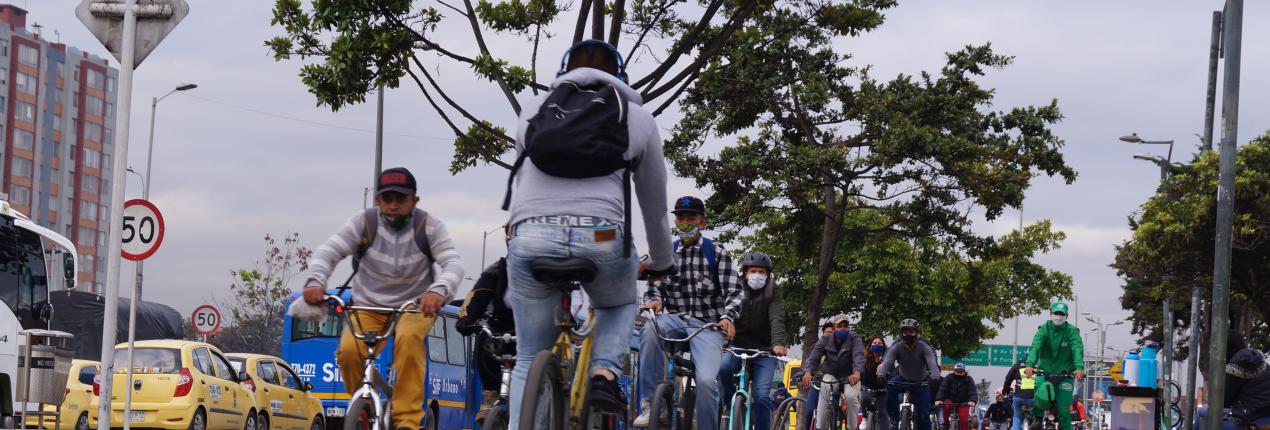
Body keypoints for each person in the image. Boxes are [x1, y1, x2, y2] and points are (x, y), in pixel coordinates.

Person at [502, 39, 675, 425]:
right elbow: (653, 204)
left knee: (529, 356)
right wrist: (662, 260)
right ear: (620, 76)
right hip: (601, 237)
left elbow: (519, 179)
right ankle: (603, 372)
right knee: (618, 303)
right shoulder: (637, 117)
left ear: (564, 72)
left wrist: (519, 236)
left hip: (530, 235)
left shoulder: (534, 110)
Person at [301, 167, 465, 430]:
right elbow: (329, 251)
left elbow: (453, 263)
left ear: (414, 201)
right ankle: (363, 405)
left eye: (401, 200)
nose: (393, 206)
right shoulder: (364, 223)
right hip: (368, 306)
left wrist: (439, 290)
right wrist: (315, 280)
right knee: (347, 351)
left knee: (409, 341)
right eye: (387, 199)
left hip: (413, 306)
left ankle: (406, 421)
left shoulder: (428, 226)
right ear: (377, 199)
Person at [635, 195, 743, 430]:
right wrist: (653, 300)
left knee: (706, 381)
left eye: (691, 218)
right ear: (675, 222)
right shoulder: (666, 254)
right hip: (674, 320)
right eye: (681, 218)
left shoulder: (715, 252)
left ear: (702, 222)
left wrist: (728, 317)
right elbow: (653, 287)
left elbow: (734, 292)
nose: (685, 222)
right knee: (650, 331)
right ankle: (653, 406)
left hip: (707, 326)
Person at [718, 252, 787, 430]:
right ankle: (729, 403)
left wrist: (778, 343)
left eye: (762, 272)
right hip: (736, 345)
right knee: (723, 368)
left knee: (762, 396)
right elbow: (725, 312)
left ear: (768, 274)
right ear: (745, 273)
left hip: (764, 350)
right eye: (753, 270)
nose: (757, 275)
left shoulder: (773, 291)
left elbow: (777, 317)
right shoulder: (736, 288)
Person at [455, 257, 513, 423]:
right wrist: (468, 318)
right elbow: (479, 294)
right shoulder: (499, 268)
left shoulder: (544, 264)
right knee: (485, 338)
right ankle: (490, 394)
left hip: (532, 332)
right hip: (502, 328)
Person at [1022, 301, 1085, 430]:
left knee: (1064, 410)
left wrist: (1079, 368)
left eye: (1061, 314)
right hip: (1044, 373)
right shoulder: (1044, 329)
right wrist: (1030, 364)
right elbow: (1036, 346)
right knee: (1041, 396)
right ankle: (1038, 419)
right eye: (1056, 313)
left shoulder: (1072, 331)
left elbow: (1077, 349)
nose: (1058, 316)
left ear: (1066, 316)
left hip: (1065, 376)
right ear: (1050, 314)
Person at [1193, 329, 1270, 429]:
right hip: (1264, 416)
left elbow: (1222, 401)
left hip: (1246, 419)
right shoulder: (1260, 361)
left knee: (1202, 411)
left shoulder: (1236, 365)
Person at [801, 314, 865, 430]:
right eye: (839, 326)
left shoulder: (855, 338)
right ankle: (820, 426)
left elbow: (858, 356)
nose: (842, 328)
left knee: (851, 397)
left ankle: (852, 426)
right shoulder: (825, 339)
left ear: (849, 328)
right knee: (825, 387)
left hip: (850, 376)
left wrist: (857, 372)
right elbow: (814, 357)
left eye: (845, 326)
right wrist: (807, 372)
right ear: (834, 328)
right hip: (831, 374)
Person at [879, 318, 941, 430]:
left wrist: (935, 377)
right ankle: (894, 419)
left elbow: (932, 363)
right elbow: (888, 361)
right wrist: (882, 374)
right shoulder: (897, 347)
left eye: (911, 332)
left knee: (923, 416)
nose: (908, 334)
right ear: (901, 333)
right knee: (890, 387)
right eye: (905, 332)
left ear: (916, 333)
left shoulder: (924, 347)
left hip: (921, 382)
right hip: (902, 379)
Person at [935, 363, 977, 430]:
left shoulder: (969, 379)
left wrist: (973, 400)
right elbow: (942, 389)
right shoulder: (949, 377)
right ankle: (946, 424)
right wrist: (939, 399)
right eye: (957, 371)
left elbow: (972, 391)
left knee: (964, 421)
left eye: (961, 371)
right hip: (950, 400)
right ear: (954, 371)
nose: (959, 373)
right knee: (945, 406)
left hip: (964, 402)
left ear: (964, 371)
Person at [862, 336, 892, 430]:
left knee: (883, 412)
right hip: (868, 386)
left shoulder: (887, 359)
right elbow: (862, 374)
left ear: (883, 346)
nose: (877, 345)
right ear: (871, 346)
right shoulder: (865, 359)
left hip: (883, 388)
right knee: (864, 398)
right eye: (875, 343)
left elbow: (892, 373)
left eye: (880, 343)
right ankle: (865, 418)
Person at [1002, 358, 1036, 430]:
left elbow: (1008, 379)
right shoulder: (1040, 364)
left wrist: (1006, 390)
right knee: (1038, 416)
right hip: (1034, 397)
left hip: (1019, 397)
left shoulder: (1017, 364)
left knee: (1017, 416)